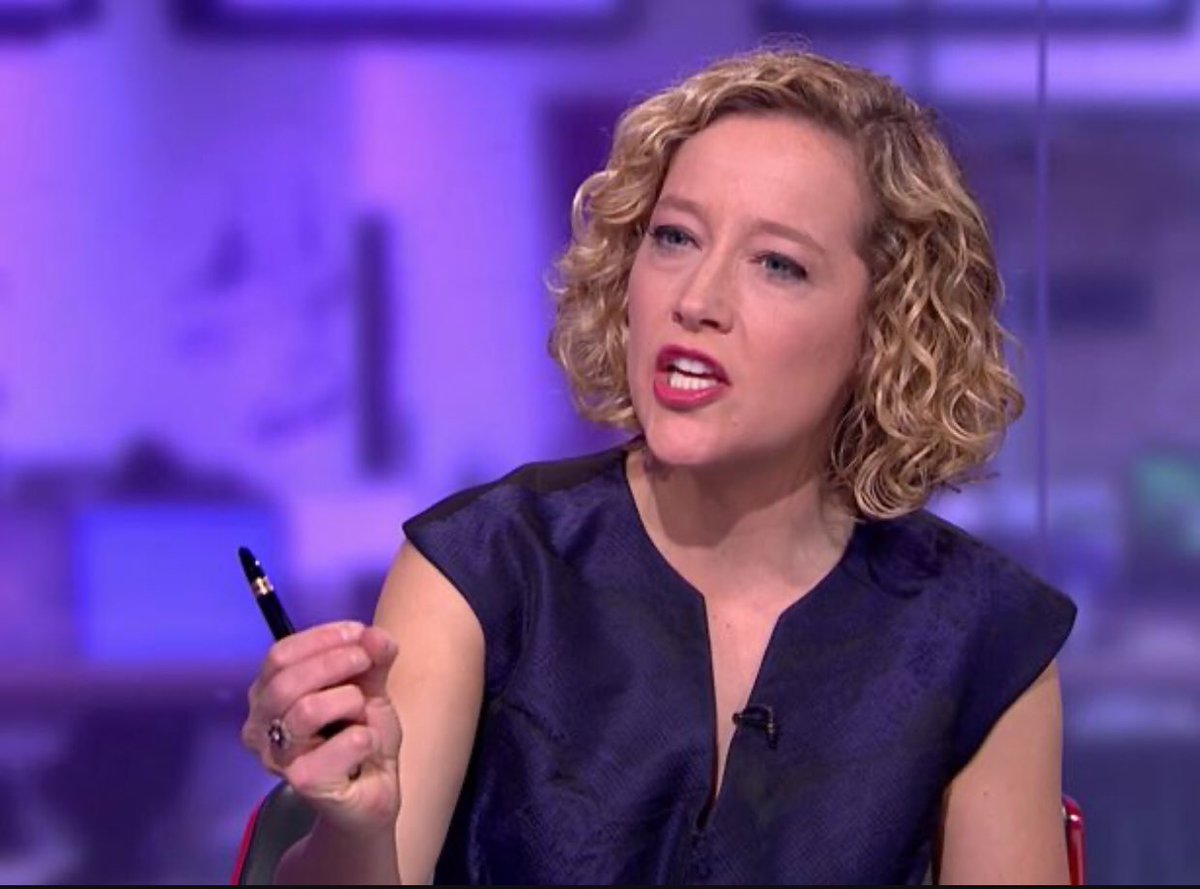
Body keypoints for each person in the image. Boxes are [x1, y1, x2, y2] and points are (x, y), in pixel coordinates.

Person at [241, 44, 1077, 885]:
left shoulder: (983, 634)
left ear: (885, 328)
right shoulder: (483, 569)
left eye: (778, 264)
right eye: (674, 237)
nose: (697, 300)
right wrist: (353, 829)